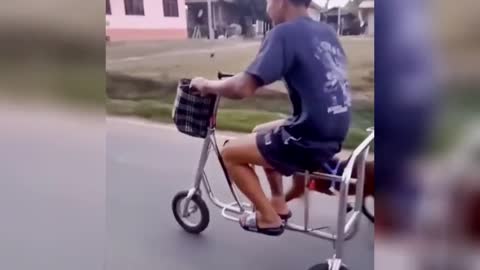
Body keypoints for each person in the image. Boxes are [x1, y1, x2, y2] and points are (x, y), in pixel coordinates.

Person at [190, 0, 351, 236]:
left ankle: (268, 218)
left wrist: (206, 85)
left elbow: (242, 88)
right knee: (260, 131)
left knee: (229, 154)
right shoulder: (325, 32)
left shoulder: (284, 33)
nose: (267, 7)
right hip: (335, 129)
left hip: (309, 136)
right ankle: (278, 202)